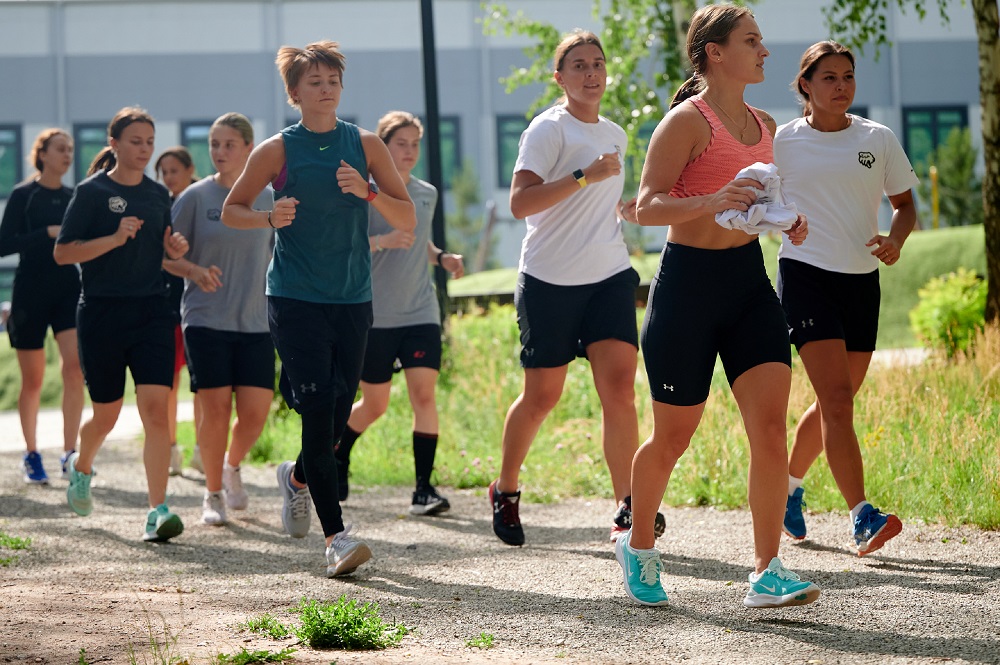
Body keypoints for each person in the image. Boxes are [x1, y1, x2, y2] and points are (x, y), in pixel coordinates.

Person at [618, 4, 820, 609]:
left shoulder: (765, 124)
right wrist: (712, 198)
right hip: (687, 288)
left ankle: (765, 569)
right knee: (673, 437)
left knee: (769, 426)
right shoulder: (686, 122)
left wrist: (786, 222)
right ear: (715, 52)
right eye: (752, 41)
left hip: (748, 284)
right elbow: (645, 207)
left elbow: (758, 204)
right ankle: (638, 544)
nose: (764, 51)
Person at [222, 41, 416, 577]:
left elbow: (407, 221)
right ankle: (336, 537)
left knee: (334, 416)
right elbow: (231, 210)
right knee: (316, 406)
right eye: (314, 82)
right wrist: (268, 217)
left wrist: (369, 192)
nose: (326, 88)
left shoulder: (367, 145)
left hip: (353, 297)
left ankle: (298, 479)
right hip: (294, 296)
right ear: (294, 93)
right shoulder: (277, 151)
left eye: (332, 80)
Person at [489, 30, 664, 547]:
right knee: (542, 396)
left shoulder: (615, 132)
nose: (592, 73)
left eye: (598, 64)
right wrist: (584, 177)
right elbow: (522, 204)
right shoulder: (547, 130)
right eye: (580, 65)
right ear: (559, 77)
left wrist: (624, 208)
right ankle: (506, 487)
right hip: (549, 280)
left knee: (620, 393)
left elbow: (596, 202)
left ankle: (627, 507)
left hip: (608, 275)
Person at [775, 40, 915, 555]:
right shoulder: (781, 140)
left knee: (838, 401)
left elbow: (904, 204)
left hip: (861, 278)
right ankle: (861, 516)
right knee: (836, 400)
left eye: (848, 77)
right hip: (805, 273)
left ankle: (788, 488)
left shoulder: (877, 138)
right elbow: (755, 193)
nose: (841, 86)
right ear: (805, 86)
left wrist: (896, 239)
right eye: (829, 77)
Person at [54, 106, 190, 542]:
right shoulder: (91, 193)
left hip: (152, 313)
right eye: (136, 141)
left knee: (155, 413)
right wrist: (113, 238)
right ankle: (82, 465)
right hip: (101, 313)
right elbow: (63, 253)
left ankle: (157, 510)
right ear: (113, 144)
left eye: (149, 142)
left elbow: (165, 255)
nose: (144, 149)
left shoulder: (156, 195)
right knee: (107, 415)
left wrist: (174, 247)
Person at [335, 111, 464, 516]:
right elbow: (346, 245)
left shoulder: (426, 192)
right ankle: (339, 453)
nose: (409, 151)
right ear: (383, 148)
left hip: (421, 310)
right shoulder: (363, 191)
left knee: (423, 395)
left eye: (415, 144)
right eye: (400, 144)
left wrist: (440, 257)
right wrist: (383, 241)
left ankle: (424, 490)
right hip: (375, 315)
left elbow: (418, 238)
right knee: (375, 405)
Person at [163, 113, 274, 526]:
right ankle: (212, 493)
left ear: (249, 148)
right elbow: (167, 255)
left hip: (258, 319)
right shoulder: (194, 197)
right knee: (215, 409)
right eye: (214, 144)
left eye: (229, 144)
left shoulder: (267, 198)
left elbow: (282, 256)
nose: (220, 152)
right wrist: (191, 268)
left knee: (256, 413)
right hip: (206, 317)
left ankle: (231, 464)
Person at [0, 129, 84, 484]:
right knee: (33, 380)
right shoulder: (24, 195)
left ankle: (70, 454)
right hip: (30, 294)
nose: (67, 155)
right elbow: (4, 245)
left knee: (75, 368)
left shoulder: (74, 196)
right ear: (43, 154)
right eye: (60, 150)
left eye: (70, 150)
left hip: (68, 289)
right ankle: (32, 453)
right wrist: (47, 233)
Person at [154, 146, 201, 477]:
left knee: (202, 384)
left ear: (189, 169)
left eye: (173, 170)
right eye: (164, 172)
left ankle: (203, 448)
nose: (169, 177)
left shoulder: (204, 200)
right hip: (167, 304)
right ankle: (170, 448)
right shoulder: (160, 206)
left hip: (202, 301)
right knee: (169, 381)